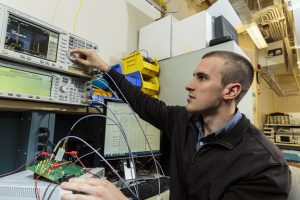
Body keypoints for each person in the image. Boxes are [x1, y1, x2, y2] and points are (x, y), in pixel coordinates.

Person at [60, 49, 291, 200]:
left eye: (202, 78)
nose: (188, 85)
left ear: (231, 91)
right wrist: (103, 66)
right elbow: (141, 102)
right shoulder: (184, 121)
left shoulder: (265, 167)